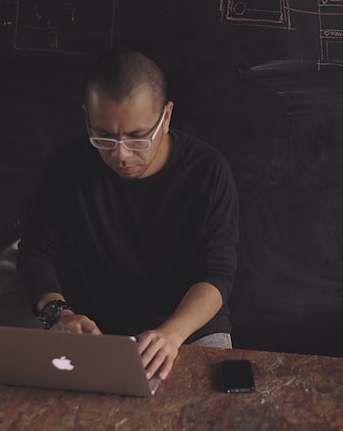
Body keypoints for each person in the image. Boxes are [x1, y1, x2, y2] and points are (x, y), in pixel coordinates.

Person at [17, 49, 239, 382]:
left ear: (166, 117)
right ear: (87, 116)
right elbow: (35, 251)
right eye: (103, 136)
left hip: (191, 329)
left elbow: (218, 273)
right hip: (100, 333)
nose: (120, 155)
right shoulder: (68, 166)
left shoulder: (208, 170)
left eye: (137, 137)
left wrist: (171, 334)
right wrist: (59, 314)